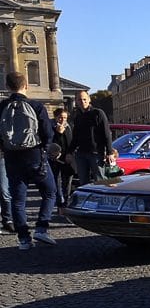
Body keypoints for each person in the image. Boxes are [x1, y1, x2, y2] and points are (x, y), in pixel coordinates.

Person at [0, 72, 57, 249]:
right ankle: (41, 227)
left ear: (7, 86)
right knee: (49, 192)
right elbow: (48, 133)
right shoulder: (36, 105)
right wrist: (45, 150)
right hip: (34, 154)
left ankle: (24, 239)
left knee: (17, 200)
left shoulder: (2, 106)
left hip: (11, 156)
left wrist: (5, 147)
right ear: (26, 85)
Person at [68, 89, 114, 184]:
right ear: (76, 101)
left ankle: (101, 198)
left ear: (89, 100)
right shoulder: (77, 117)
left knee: (100, 180)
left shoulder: (98, 113)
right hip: (81, 153)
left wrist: (110, 152)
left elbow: (106, 133)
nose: (82, 102)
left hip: (96, 152)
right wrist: (69, 152)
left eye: (84, 99)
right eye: (80, 100)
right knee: (83, 181)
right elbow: (75, 137)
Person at [49, 106, 75, 214]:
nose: (63, 120)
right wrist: (59, 133)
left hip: (67, 158)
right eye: (60, 117)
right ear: (55, 117)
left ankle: (65, 202)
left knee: (67, 182)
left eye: (65, 118)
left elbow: (72, 142)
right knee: (56, 182)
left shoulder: (70, 127)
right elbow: (52, 142)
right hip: (55, 159)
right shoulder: (51, 127)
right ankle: (60, 203)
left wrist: (71, 154)